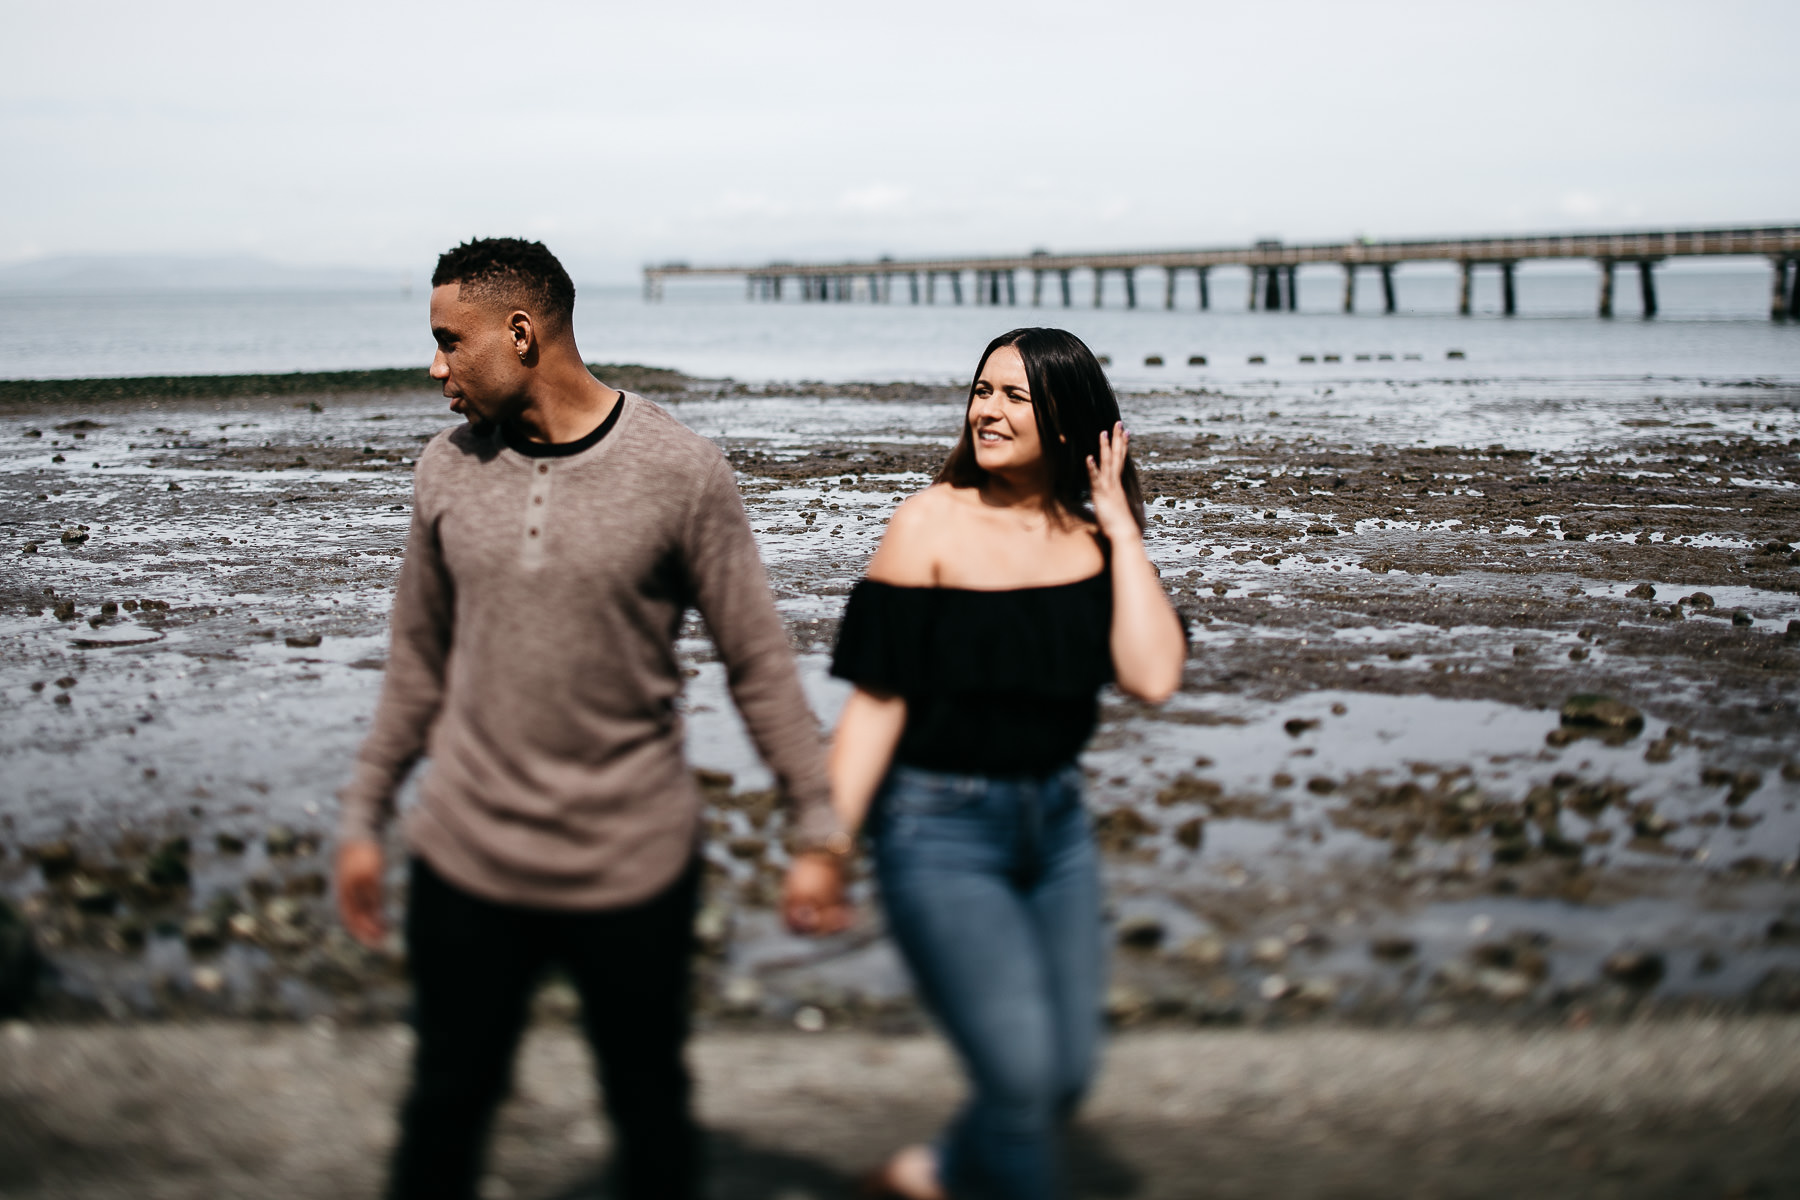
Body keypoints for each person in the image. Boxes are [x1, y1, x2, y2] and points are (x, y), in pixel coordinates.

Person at [333, 237, 850, 1200]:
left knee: (650, 1117)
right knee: (443, 1113)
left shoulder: (681, 471)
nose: (434, 366)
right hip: (468, 860)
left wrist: (818, 827)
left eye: (450, 340)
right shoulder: (443, 471)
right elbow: (415, 665)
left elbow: (758, 663)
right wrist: (365, 815)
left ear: (522, 334)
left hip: (632, 867)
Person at [817, 327, 1187, 1199]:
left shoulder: (1094, 542)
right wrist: (823, 844)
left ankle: (937, 1172)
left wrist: (1125, 533)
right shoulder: (930, 522)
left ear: (1068, 420)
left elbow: (1154, 676)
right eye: (983, 391)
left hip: (1055, 828)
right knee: (1020, 1082)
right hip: (939, 828)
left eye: (1015, 396)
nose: (988, 409)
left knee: (1062, 1078)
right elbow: (877, 701)